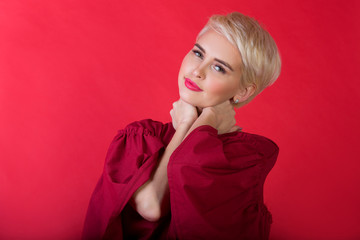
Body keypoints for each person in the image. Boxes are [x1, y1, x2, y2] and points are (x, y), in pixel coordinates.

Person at [82, 11, 281, 240]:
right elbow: (151, 206)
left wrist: (205, 123)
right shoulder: (142, 137)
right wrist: (187, 123)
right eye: (198, 53)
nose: (198, 71)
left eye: (219, 68)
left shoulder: (243, 160)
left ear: (243, 91)